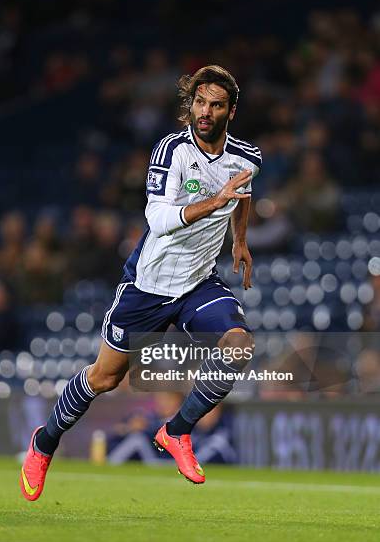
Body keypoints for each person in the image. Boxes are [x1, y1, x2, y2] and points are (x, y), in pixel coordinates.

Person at [19, 65, 262, 500]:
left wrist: (239, 241)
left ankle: (178, 431)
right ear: (190, 106)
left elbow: (242, 194)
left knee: (239, 346)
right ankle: (44, 442)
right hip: (149, 285)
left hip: (197, 284)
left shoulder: (246, 158)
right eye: (199, 102)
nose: (205, 112)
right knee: (104, 378)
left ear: (232, 111)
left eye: (216, 105)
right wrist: (216, 201)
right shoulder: (171, 150)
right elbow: (158, 219)